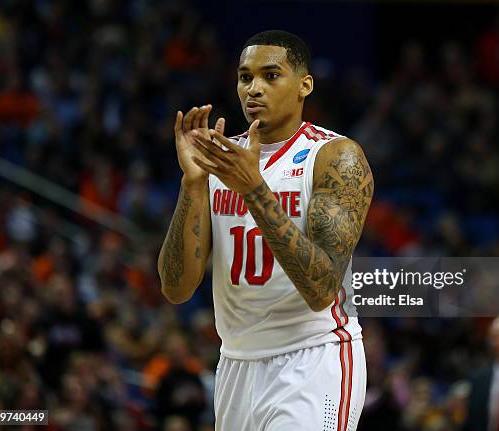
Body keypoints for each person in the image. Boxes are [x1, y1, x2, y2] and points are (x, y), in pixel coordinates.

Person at [157, 30, 374, 431]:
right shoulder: (218, 162)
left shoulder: (335, 157)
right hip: (236, 360)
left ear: (304, 85)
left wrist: (254, 189)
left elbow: (321, 287)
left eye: (271, 75)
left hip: (313, 357)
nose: (253, 89)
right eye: (245, 77)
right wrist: (192, 184)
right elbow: (176, 288)